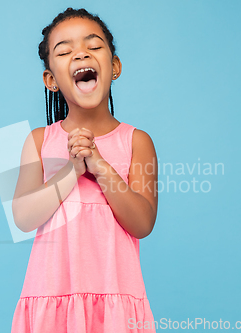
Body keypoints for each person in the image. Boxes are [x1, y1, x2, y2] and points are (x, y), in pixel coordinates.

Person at [11, 7, 158, 333]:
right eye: (64, 51)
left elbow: (142, 222)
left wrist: (101, 166)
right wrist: (72, 171)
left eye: (93, 46)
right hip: (51, 300)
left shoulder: (136, 141)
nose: (80, 54)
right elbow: (22, 217)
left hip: (116, 304)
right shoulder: (39, 141)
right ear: (51, 79)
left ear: (114, 66)